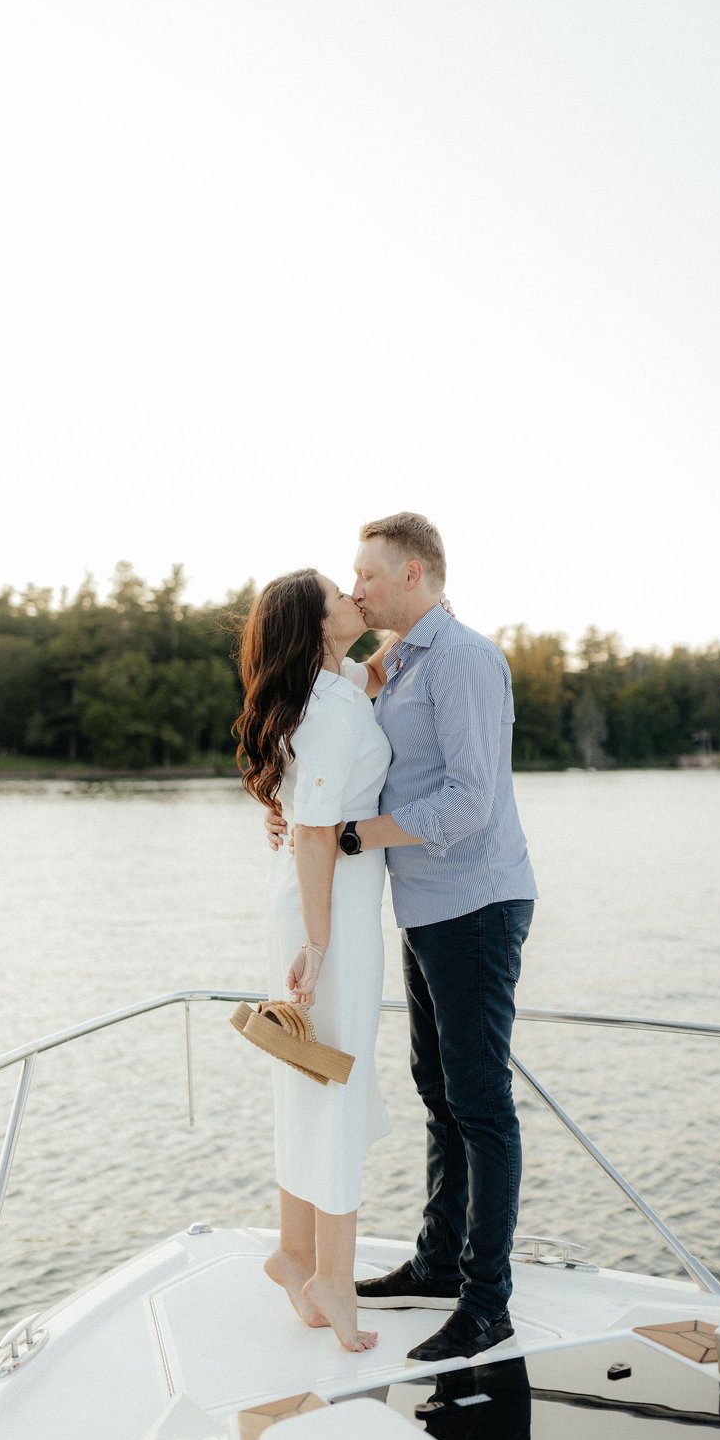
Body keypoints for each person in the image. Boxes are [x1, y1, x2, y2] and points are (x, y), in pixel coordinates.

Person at [266, 513, 537, 1363]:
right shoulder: (397, 664)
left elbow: (469, 803)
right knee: (437, 1089)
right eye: (347, 582)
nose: (357, 590)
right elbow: (322, 731)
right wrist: (292, 810)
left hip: (476, 905)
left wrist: (350, 835)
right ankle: (436, 1263)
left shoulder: (463, 660)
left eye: (369, 576)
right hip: (420, 907)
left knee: (480, 1102)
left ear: (413, 576)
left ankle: (486, 1300)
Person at [233, 567, 395, 1353]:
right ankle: (331, 1273)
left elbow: (376, 664)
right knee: (333, 1075)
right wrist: (320, 946)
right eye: (339, 593)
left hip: (314, 905)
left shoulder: (332, 689)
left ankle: (294, 1252)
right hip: (327, 913)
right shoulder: (328, 709)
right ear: (314, 622)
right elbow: (317, 833)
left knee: (309, 1072)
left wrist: (403, 625)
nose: (352, 598)